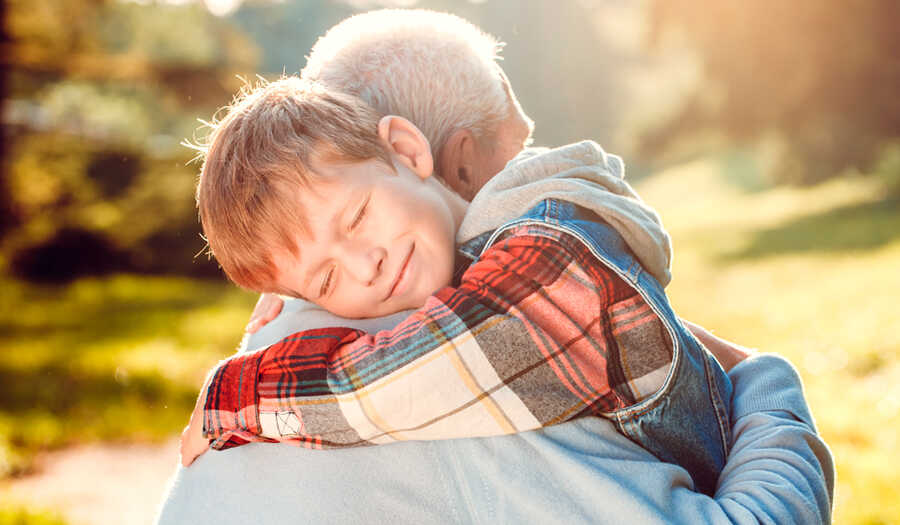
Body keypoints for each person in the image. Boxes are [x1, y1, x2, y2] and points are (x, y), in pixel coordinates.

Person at [156, 10, 833, 524]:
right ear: (449, 161)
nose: (362, 266)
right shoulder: (446, 369)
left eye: (358, 218)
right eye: (519, 152)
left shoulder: (288, 332)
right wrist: (770, 389)